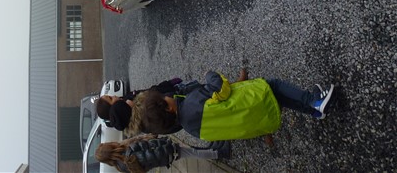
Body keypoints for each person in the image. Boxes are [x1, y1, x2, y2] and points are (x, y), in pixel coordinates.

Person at [141, 70, 337, 141]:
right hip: (251, 99)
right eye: (164, 98)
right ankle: (314, 101)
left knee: (280, 98)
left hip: (254, 117)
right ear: (168, 108)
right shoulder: (191, 102)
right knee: (275, 86)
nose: (167, 96)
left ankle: (314, 111)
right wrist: (210, 75)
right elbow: (220, 88)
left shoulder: (191, 129)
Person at [95, 134, 231, 172]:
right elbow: (150, 148)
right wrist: (166, 144)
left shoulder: (121, 166)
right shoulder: (128, 151)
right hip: (166, 151)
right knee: (193, 153)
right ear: (110, 147)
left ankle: (213, 150)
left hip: (164, 158)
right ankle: (220, 153)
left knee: (190, 151)